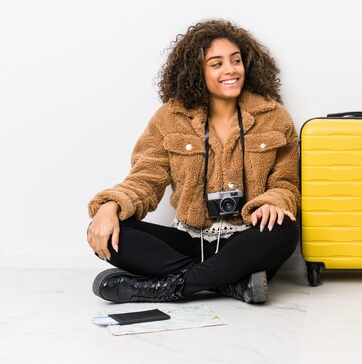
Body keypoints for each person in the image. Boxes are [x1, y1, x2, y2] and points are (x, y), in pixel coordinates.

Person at [87, 19, 300, 304]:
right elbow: (145, 178)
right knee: (112, 231)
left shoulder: (274, 116)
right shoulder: (168, 119)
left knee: (284, 230)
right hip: (189, 242)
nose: (230, 70)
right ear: (195, 71)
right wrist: (110, 206)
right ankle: (230, 284)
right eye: (216, 64)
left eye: (236, 61)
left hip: (246, 241)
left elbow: (286, 183)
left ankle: (167, 288)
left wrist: (274, 202)